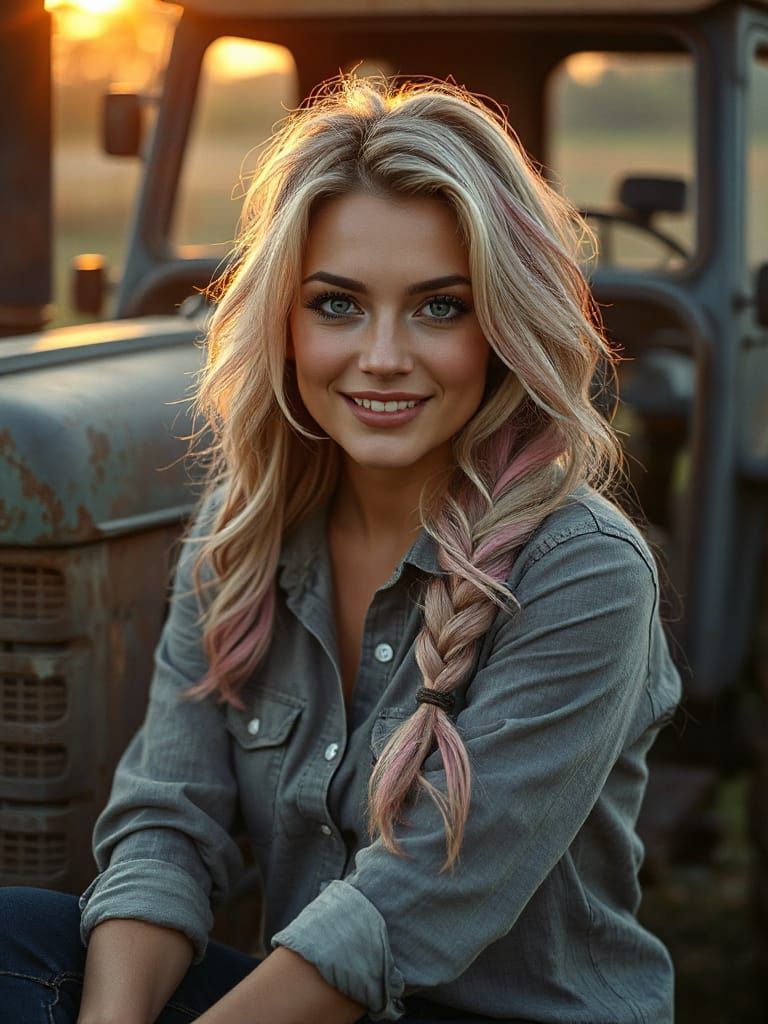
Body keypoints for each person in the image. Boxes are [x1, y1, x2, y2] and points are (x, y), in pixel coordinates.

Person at [0, 75, 682, 1024]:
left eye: (440, 307)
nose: (384, 356)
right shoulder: (240, 537)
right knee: (16, 941)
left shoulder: (584, 570)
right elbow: (167, 824)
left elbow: (400, 917)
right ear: (283, 319)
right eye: (337, 305)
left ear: (503, 325)